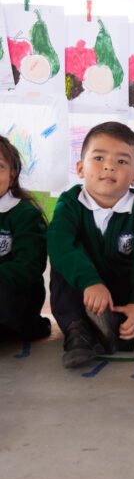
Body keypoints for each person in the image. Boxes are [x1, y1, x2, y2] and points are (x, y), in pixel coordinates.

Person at [47, 122, 134, 369]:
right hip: (90, 294)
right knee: (65, 255)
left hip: (127, 295)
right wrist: (90, 282)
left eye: (122, 161)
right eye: (99, 158)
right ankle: (78, 333)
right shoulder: (69, 203)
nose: (109, 166)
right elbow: (59, 246)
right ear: (80, 168)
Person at [0, 136, 50, 342]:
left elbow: (28, 268)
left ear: (12, 176)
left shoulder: (25, 215)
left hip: (15, 297)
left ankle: (32, 326)